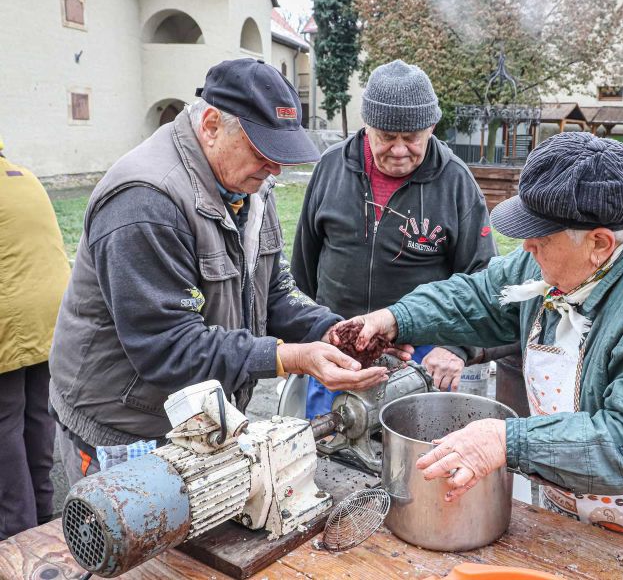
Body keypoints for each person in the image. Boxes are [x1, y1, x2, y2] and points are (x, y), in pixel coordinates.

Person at [349, 132, 623, 552]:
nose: (526, 247)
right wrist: (396, 318)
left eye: (539, 239)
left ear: (599, 243)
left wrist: (507, 441)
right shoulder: (568, 252)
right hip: (575, 497)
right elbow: (484, 295)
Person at [48, 59, 389, 486]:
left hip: (198, 413)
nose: (275, 170)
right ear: (211, 125)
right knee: (134, 545)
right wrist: (288, 357)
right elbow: (167, 346)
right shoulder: (144, 203)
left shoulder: (250, 188)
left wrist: (333, 332)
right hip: (128, 423)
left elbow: (274, 292)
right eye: (264, 152)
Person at [292, 60, 496, 417]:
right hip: (338, 346)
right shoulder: (330, 168)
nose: (399, 150)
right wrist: (316, 330)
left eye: (412, 138)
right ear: (367, 125)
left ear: (431, 127)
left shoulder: (456, 182)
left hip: (418, 355)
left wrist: (457, 347)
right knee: (325, 452)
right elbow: (304, 266)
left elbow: (482, 277)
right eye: (387, 137)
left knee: (410, 457)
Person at [0, 136, 71, 537]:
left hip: (9, 320)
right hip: (50, 316)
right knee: (36, 416)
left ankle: (15, 531)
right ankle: (43, 512)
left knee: (4, 424)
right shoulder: (23, 176)